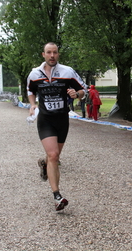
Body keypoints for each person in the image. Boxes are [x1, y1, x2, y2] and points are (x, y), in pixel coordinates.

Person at [27, 42, 87, 210]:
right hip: (45, 119)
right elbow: (30, 91)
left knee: (55, 156)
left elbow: (84, 90)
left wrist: (77, 94)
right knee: (53, 155)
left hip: (62, 119)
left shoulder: (67, 72)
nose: (52, 55)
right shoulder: (34, 74)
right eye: (49, 52)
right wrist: (32, 105)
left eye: (55, 52)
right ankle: (57, 197)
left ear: (58, 54)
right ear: (43, 54)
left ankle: (44, 164)